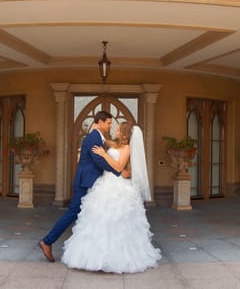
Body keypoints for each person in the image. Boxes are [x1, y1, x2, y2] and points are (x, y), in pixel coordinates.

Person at [61, 122, 161, 274]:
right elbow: (103, 139)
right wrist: (95, 129)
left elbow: (119, 167)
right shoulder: (115, 144)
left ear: (125, 133)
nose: (116, 129)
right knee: (98, 220)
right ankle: (93, 257)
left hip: (116, 185)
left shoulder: (127, 148)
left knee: (115, 221)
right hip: (104, 183)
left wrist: (103, 155)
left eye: (119, 129)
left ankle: (116, 259)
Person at [39, 111, 130, 262]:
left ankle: (93, 252)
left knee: (94, 214)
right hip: (85, 182)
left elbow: (113, 148)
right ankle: (47, 241)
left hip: (91, 181)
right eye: (108, 123)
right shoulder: (94, 137)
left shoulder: (99, 138)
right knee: (74, 212)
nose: (110, 126)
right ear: (100, 122)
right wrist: (118, 172)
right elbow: (98, 162)